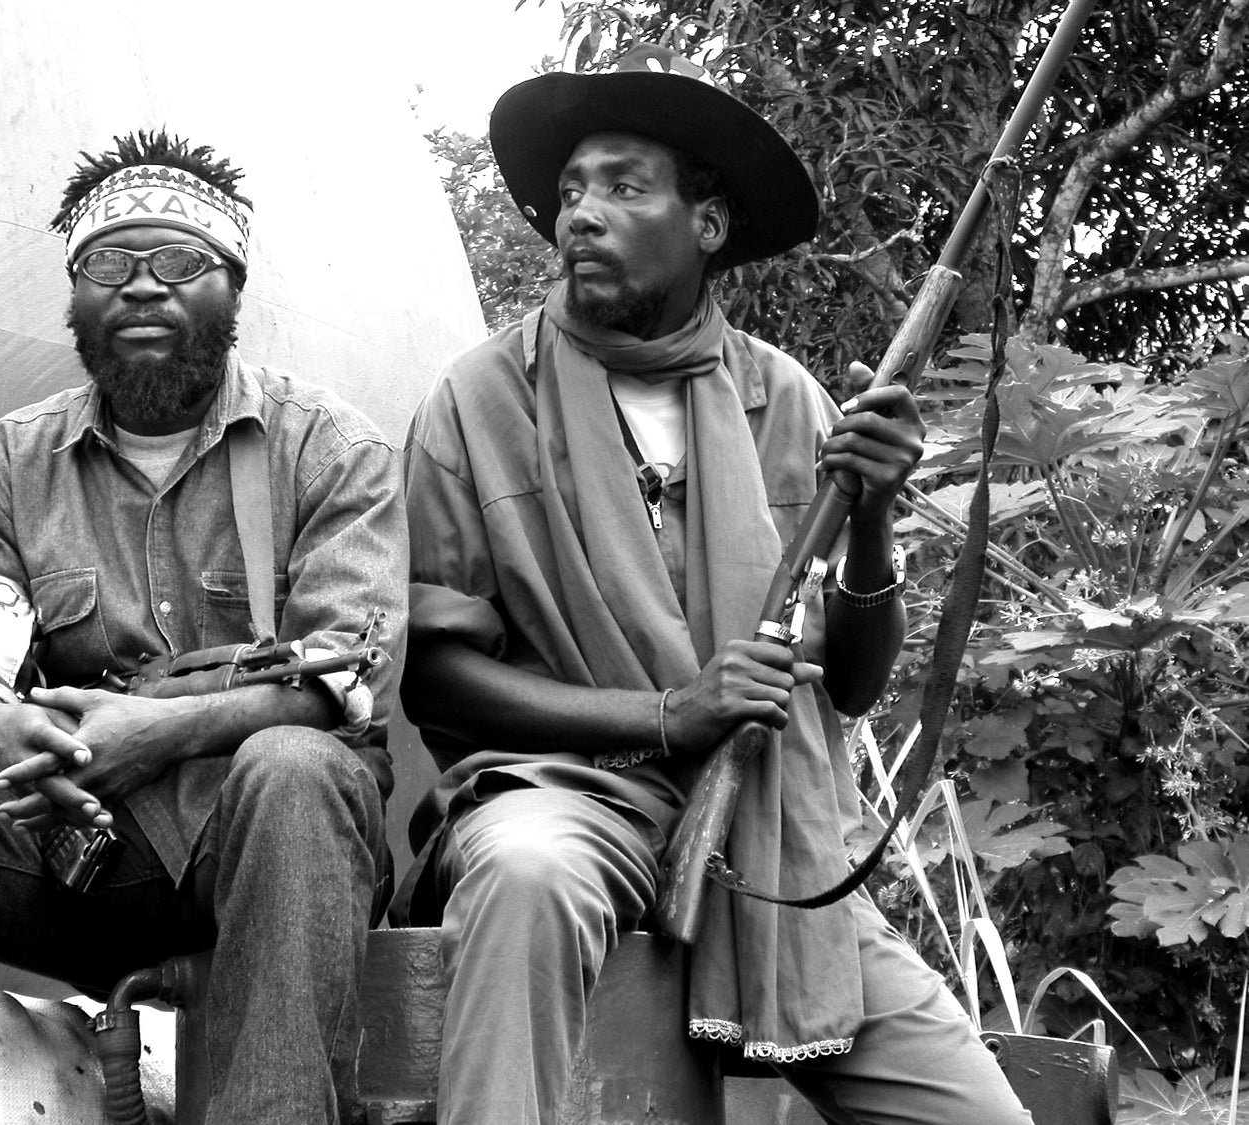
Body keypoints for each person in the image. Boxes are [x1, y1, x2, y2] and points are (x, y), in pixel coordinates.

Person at [395, 46, 1033, 1125]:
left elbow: (851, 684)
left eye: (624, 186)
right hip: (563, 794)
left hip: (770, 822)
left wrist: (873, 517)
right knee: (528, 872)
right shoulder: (477, 399)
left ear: (708, 224)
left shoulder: (790, 399)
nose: (581, 214)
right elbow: (436, 678)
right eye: (572, 191)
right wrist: (666, 715)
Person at [0, 129, 407, 1125]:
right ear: (75, 295)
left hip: (269, 853)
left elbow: (344, 678)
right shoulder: (13, 462)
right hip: (76, 848)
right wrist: (6, 731)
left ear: (232, 287)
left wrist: (159, 731)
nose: (141, 285)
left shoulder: (328, 447)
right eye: (110, 264)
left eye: (178, 261)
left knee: (297, 764)